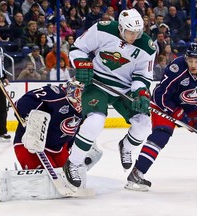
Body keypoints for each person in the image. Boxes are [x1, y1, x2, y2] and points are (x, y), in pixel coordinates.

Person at [63, 9, 156, 188]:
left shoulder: (147, 46)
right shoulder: (103, 29)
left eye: (138, 32)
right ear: (120, 27)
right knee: (95, 122)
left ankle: (126, 146)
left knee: (144, 124)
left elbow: (142, 76)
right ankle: (73, 163)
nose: (134, 36)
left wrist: (141, 93)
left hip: (125, 88)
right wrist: (82, 63)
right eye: (130, 32)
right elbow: (77, 48)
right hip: (97, 83)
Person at [124, 42, 197, 191]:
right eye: (190, 60)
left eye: (196, 61)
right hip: (165, 104)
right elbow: (160, 95)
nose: (193, 65)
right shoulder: (177, 69)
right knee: (161, 134)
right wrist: (177, 114)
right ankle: (137, 173)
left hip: (189, 105)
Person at [13, 78, 84, 169]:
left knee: (67, 177)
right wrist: (28, 120)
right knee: (42, 178)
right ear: (73, 90)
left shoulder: (84, 108)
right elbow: (22, 103)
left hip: (58, 149)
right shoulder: (55, 95)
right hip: (29, 145)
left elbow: (74, 129)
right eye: (82, 93)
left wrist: (70, 147)